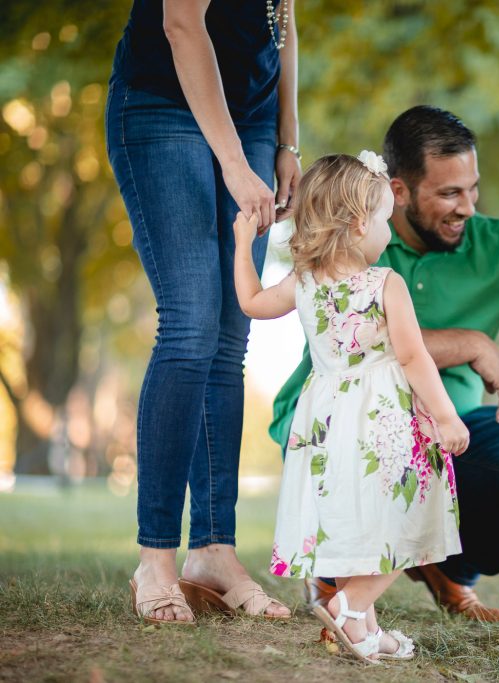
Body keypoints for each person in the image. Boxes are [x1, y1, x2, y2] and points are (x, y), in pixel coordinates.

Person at [270, 105, 499, 622]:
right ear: (397, 193)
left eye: (473, 189)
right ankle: (333, 573)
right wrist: (467, 342)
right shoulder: (351, 239)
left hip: (450, 425)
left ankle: (449, 567)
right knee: (360, 448)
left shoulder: (498, 247)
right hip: (340, 423)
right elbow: (352, 335)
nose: (467, 207)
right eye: (449, 193)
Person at [106, 0, 300, 623]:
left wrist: (286, 138)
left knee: (228, 337)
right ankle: (156, 558)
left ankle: (214, 550)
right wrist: (236, 165)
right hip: (165, 103)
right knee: (190, 323)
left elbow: (284, 20)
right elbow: (181, 23)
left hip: (255, 118)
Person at [234, 151, 468, 663]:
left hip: (326, 421)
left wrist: (239, 243)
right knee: (411, 510)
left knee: (348, 521)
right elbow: (412, 355)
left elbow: (251, 302)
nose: (388, 230)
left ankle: (362, 625)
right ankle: (349, 604)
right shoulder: (386, 282)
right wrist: (446, 415)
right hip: (384, 417)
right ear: (360, 222)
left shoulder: (304, 283)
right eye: (385, 218)